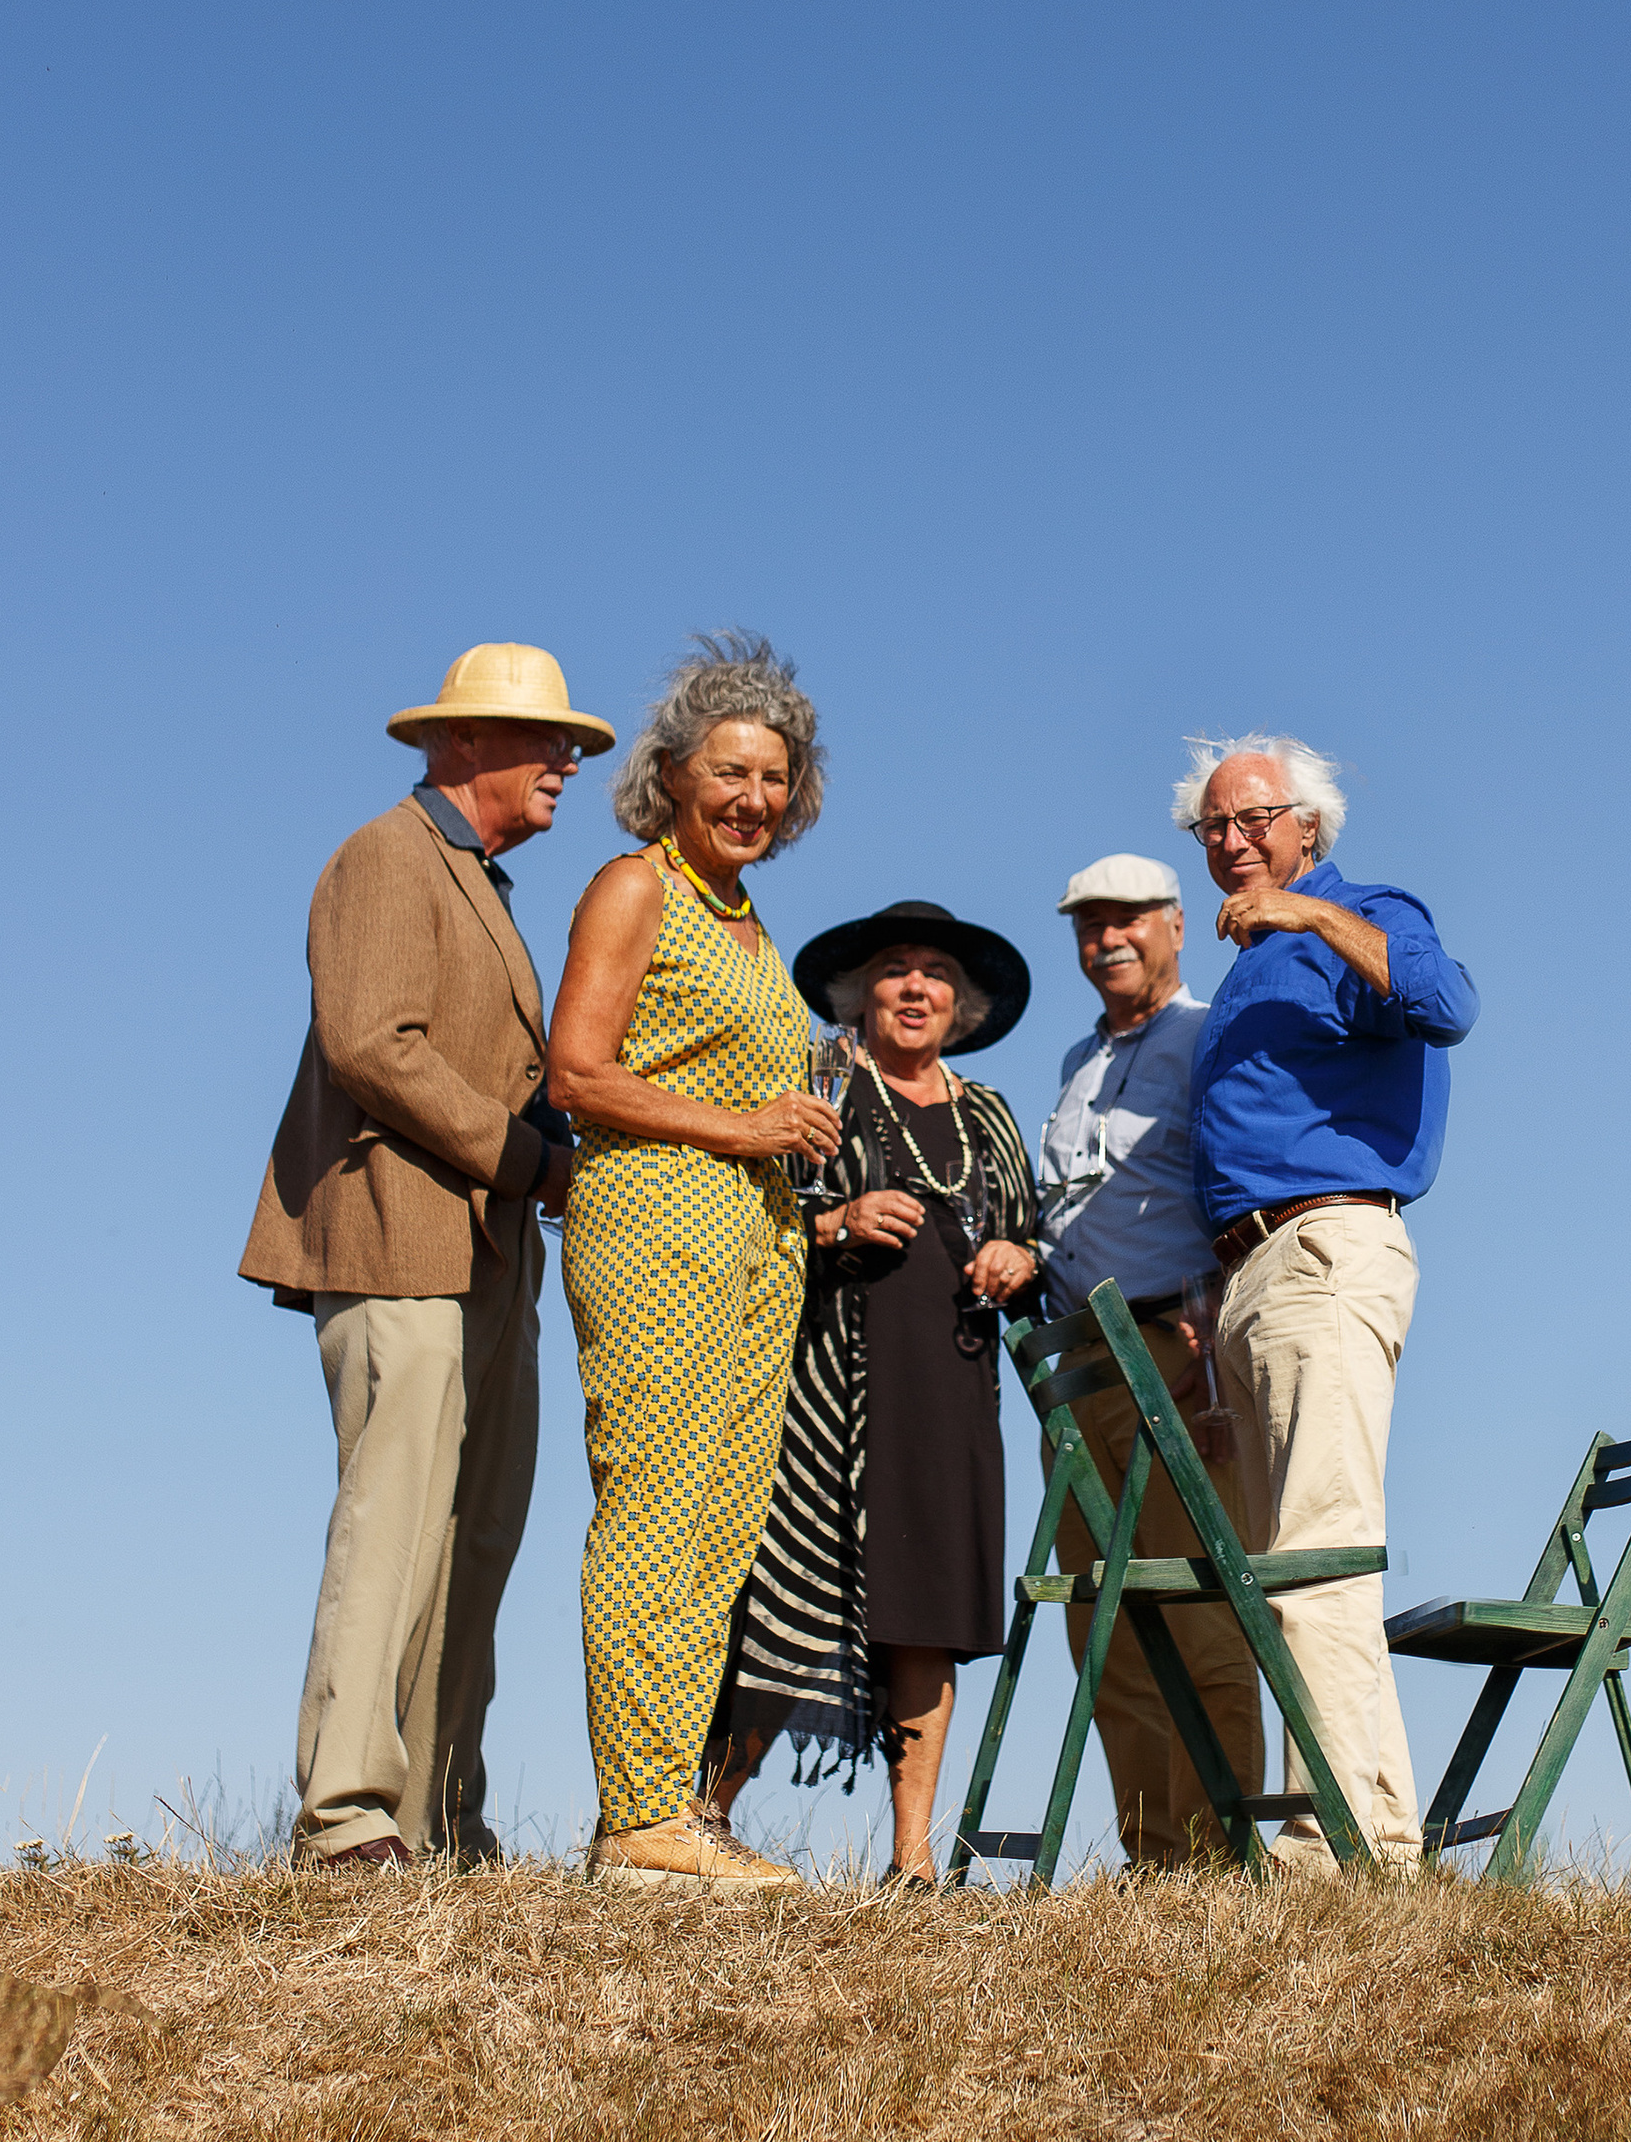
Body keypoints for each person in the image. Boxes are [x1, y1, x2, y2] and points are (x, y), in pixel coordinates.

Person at [241, 639, 613, 1871]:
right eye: (545, 739)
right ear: (458, 742)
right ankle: (345, 1819)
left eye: (571, 744)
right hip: (398, 1234)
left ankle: (438, 1816)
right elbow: (372, 1046)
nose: (567, 761)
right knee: (394, 1522)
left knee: (477, 1536)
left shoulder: (483, 884)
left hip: (491, 1254)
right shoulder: (386, 855)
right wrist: (527, 1159)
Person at [545, 633, 844, 1894]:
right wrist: (748, 1125)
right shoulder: (635, 888)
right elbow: (577, 1075)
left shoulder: (749, 920)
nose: (754, 800)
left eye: (775, 780)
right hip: (655, 1223)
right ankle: (637, 1819)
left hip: (757, 1242)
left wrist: (796, 1136)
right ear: (671, 774)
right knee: (654, 1514)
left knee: (721, 1527)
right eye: (731, 772)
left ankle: (676, 1808)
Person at [1180, 735, 1479, 1877]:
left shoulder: (1357, 910)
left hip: (1326, 1246)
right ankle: (1373, 1836)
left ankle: (1337, 1851)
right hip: (1255, 1273)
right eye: (1212, 827)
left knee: (1317, 1552)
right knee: (1289, 1565)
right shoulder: (1244, 968)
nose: (1233, 841)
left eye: (1254, 818)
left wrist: (1308, 919)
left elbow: (1447, 1001)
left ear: (1309, 825)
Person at [704, 903, 1039, 1886]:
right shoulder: (817, 1083)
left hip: (953, 1382)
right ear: (859, 995)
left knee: (927, 1612)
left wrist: (1020, 1254)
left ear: (962, 1006)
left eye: (935, 973)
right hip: (824, 1388)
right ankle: (699, 1819)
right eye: (894, 969)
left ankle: (912, 1860)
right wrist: (834, 1221)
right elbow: (746, 1217)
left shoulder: (987, 1113)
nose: (914, 987)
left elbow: (1030, 1232)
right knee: (784, 1597)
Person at [1032, 855, 1265, 1869]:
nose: (1107, 939)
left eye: (1128, 920)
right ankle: (1154, 1858)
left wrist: (1217, 1359)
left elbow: (1235, 1189)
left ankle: (1220, 1858)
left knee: (1197, 1609)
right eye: (1089, 925)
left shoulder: (1206, 1034)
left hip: (1176, 1351)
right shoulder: (1076, 1062)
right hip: (1076, 1367)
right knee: (1105, 1621)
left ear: (1175, 927)